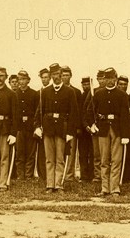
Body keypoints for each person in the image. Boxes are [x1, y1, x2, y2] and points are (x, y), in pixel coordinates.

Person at [34, 64, 78, 193]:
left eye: (58, 74)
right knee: (49, 158)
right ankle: (50, 184)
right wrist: (37, 126)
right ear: (51, 76)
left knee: (60, 158)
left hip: (62, 129)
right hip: (48, 128)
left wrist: (70, 131)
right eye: (53, 74)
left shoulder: (70, 92)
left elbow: (74, 113)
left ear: (61, 75)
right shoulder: (45, 91)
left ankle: (58, 185)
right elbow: (39, 111)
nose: (56, 77)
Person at [91, 68, 130, 197]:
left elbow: (125, 116)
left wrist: (125, 135)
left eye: (112, 78)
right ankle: (104, 188)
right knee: (104, 160)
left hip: (117, 130)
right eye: (107, 78)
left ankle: (115, 188)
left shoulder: (122, 95)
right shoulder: (98, 94)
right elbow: (90, 112)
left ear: (116, 79)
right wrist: (92, 124)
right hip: (103, 129)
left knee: (116, 160)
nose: (109, 81)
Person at [14, 70, 38, 180]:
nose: (22, 82)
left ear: (28, 80)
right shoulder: (14, 94)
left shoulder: (34, 94)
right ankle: (20, 175)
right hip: (19, 127)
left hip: (30, 126)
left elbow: (37, 112)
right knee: (19, 152)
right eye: (20, 79)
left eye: (24, 79)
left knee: (30, 152)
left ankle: (28, 175)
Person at [61, 65, 82, 182]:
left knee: (71, 150)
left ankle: (69, 175)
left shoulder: (76, 92)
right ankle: (60, 173)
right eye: (63, 75)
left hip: (71, 125)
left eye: (67, 75)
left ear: (71, 76)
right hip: (59, 125)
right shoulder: (57, 90)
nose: (65, 77)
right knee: (60, 150)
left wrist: (78, 127)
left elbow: (78, 111)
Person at [77, 77, 95, 182]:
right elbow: (80, 112)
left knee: (92, 153)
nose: (86, 86)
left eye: (88, 84)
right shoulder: (80, 96)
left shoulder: (94, 94)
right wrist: (83, 126)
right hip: (83, 130)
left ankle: (92, 174)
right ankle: (84, 175)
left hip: (92, 129)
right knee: (83, 153)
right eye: (84, 84)